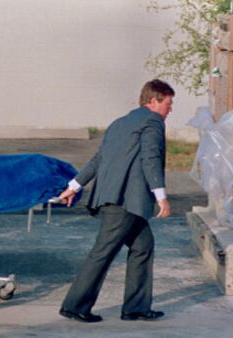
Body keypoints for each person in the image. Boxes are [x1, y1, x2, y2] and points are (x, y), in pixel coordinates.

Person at [57, 79, 174, 323]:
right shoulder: (152, 121)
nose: (170, 109)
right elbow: (150, 157)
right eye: (168, 104)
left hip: (118, 200)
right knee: (102, 252)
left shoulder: (119, 123)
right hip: (126, 201)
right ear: (154, 101)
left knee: (143, 246)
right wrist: (161, 196)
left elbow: (99, 159)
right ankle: (75, 305)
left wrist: (73, 186)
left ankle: (136, 307)